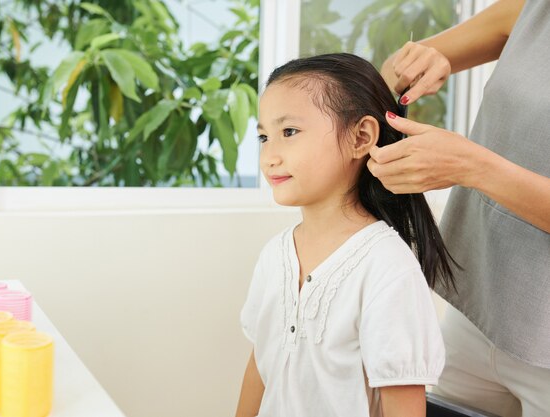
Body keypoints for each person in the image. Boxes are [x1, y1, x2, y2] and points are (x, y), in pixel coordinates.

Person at [235, 53, 458, 417]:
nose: (269, 156)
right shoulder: (273, 256)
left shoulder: (386, 268)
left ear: (361, 137)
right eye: (264, 137)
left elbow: (404, 407)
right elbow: (258, 368)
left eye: (288, 132)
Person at [372, 1, 550, 416]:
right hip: (480, 310)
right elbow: (389, 73)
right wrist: (418, 62)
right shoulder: (533, 9)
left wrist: (471, 165)